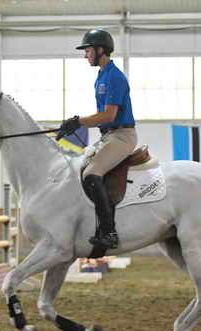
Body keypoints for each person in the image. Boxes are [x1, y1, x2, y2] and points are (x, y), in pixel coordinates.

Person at [56, 29, 136, 249]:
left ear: (100, 50)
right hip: (109, 135)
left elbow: (109, 116)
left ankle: (109, 232)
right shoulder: (101, 76)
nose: (85, 55)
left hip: (122, 136)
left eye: (88, 50)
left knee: (92, 174)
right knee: (80, 167)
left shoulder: (114, 76)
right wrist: (74, 124)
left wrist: (77, 121)